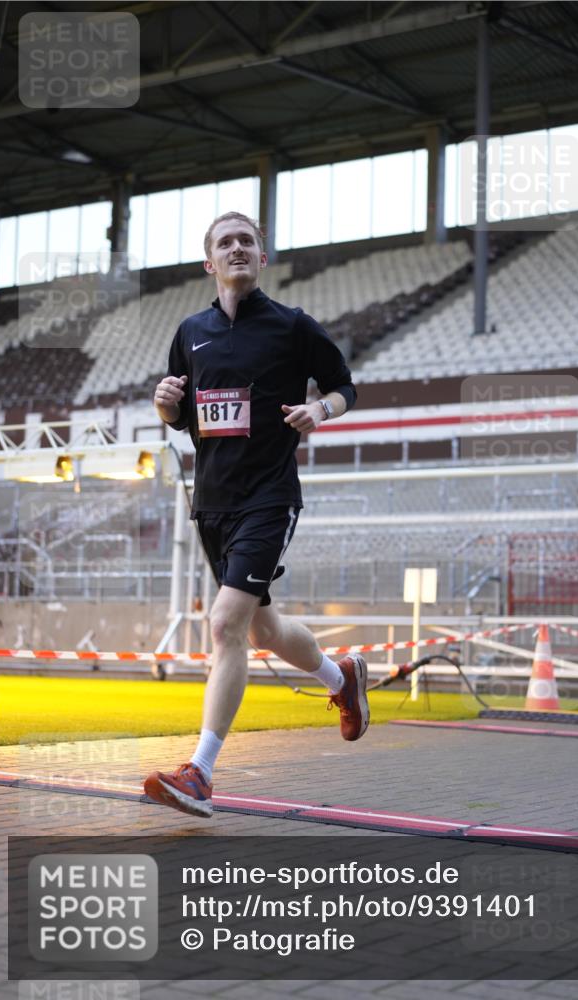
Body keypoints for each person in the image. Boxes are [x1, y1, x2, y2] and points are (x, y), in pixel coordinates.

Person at [143, 211, 369, 817]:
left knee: (224, 625)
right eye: (226, 242)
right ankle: (341, 678)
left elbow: (346, 386)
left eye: (247, 240)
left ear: (262, 257)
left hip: (269, 498)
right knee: (261, 631)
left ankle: (200, 773)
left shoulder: (292, 326)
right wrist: (165, 406)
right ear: (209, 262)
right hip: (212, 503)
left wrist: (321, 410)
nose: (237, 248)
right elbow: (183, 417)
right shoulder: (190, 332)